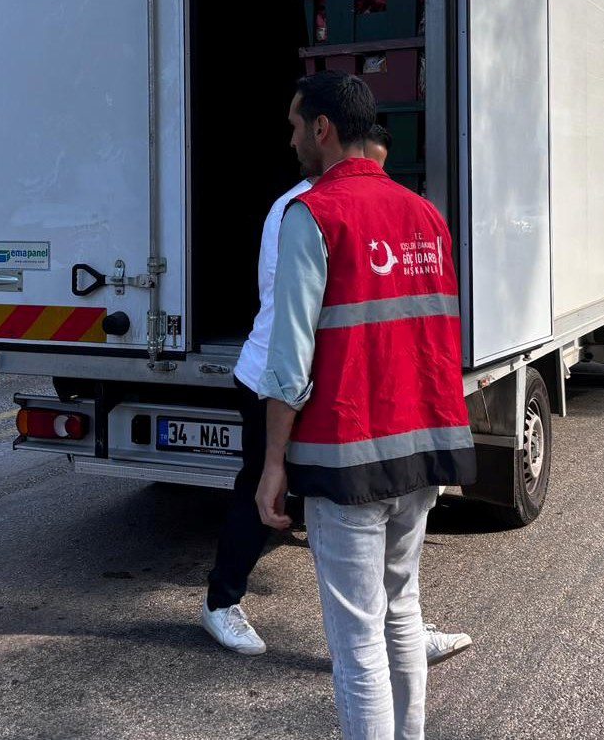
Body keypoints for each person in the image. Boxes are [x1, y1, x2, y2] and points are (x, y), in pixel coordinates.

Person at [202, 126, 473, 667]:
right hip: (277, 379)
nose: (377, 176)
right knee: (264, 493)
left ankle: (401, 625)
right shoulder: (301, 211)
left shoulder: (386, 209)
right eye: (372, 162)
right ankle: (221, 602)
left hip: (331, 382)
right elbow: (292, 323)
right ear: (345, 145)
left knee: (373, 513)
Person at [256, 73, 476, 739]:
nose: (292, 139)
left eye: (296, 126)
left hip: (346, 454)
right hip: (421, 447)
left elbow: (289, 361)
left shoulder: (313, 214)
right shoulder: (424, 215)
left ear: (322, 129)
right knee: (401, 611)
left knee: (356, 643)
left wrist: (273, 462)